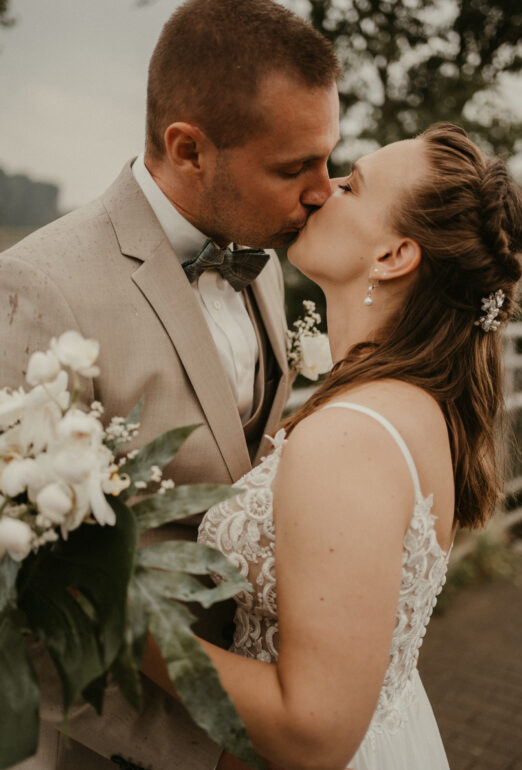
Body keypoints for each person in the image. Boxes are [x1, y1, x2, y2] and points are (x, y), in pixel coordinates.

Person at [0, 1, 340, 768]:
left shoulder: (263, 258)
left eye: (327, 159)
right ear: (189, 149)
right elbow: (27, 594)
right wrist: (200, 751)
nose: (324, 191)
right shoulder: (36, 286)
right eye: (295, 168)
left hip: (256, 700)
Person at [180, 123, 522, 769]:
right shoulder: (414, 403)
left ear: (394, 255)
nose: (322, 188)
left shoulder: (353, 435)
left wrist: (124, 623)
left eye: (352, 184)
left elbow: (312, 733)